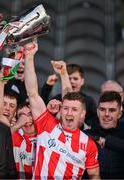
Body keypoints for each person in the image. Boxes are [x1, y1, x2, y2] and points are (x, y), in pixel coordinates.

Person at [24, 42, 100, 179]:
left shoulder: (88, 144)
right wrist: (29, 58)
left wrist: (64, 74)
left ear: (83, 114)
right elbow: (32, 93)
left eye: (74, 110)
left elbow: (94, 175)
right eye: (65, 108)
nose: (69, 113)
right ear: (61, 109)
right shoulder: (46, 124)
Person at [85, 91, 124, 179]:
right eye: (102, 110)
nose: (106, 114)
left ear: (119, 114)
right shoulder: (88, 131)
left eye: (112, 110)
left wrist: (104, 140)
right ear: (97, 111)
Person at [12, 102, 37, 179]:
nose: (26, 119)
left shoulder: (47, 136)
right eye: (21, 116)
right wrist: (17, 125)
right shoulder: (14, 137)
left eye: (30, 114)